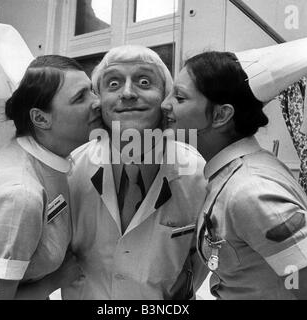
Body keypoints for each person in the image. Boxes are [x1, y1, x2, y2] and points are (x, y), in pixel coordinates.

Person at [161, 50, 307, 299]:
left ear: (221, 115)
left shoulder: (252, 193)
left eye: (179, 97)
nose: (165, 105)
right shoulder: (230, 177)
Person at [0, 55, 101, 299]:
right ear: (40, 118)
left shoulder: (44, 158)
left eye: (92, 90)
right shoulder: (18, 196)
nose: (97, 102)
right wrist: (55, 280)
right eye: (80, 97)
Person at [62, 45, 209, 300]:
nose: (128, 93)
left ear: (165, 96)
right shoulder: (71, 170)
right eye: (114, 84)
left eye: (143, 82)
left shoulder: (197, 172)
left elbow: (202, 259)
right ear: (98, 101)